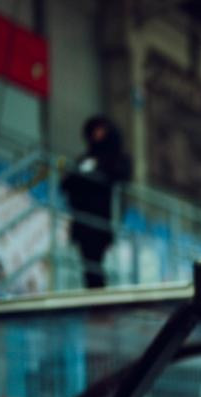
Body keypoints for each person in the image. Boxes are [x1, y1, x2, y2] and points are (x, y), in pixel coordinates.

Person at [61, 116, 131, 288]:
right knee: (88, 262)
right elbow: (67, 183)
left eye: (101, 129)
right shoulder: (84, 159)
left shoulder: (118, 157)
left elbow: (119, 175)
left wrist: (90, 177)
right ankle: (94, 292)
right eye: (94, 130)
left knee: (96, 260)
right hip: (82, 219)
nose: (97, 134)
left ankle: (98, 292)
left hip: (103, 218)